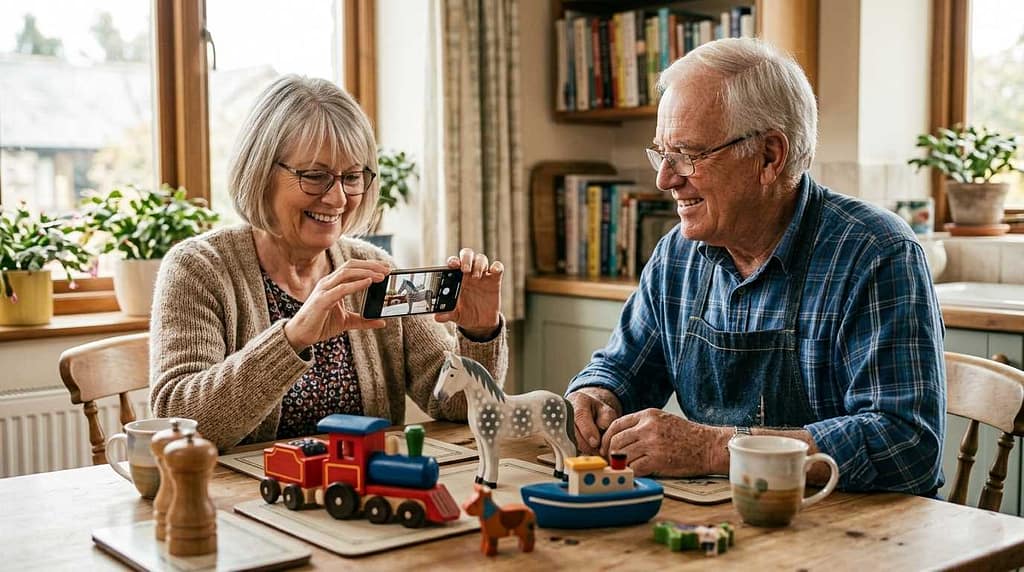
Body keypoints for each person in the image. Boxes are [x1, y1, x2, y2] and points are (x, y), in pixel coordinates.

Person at [566, 38, 945, 495]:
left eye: (685, 155)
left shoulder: (876, 252)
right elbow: (621, 371)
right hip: (732, 524)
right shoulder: (677, 255)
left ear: (769, 156)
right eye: (661, 154)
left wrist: (714, 449)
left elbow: (907, 446)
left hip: (864, 537)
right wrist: (593, 398)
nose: (665, 179)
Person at [150, 75, 507, 451]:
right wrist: (293, 337)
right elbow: (179, 424)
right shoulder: (199, 269)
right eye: (315, 176)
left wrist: (480, 333)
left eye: (352, 176)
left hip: (362, 494)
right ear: (260, 172)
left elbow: (456, 406)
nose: (337, 198)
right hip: (240, 501)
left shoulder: (372, 266)